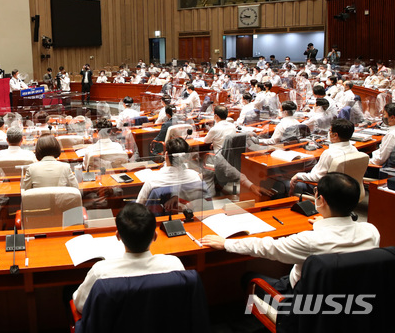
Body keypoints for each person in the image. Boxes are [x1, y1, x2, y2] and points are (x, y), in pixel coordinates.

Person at [201, 172, 380, 294]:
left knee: (249, 278)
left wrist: (226, 243)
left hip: (300, 298)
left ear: (321, 200)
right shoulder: (372, 231)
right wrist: (325, 222)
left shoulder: (310, 241)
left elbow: (267, 247)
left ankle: (268, 316)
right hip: (348, 294)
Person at [71, 202, 184, 312]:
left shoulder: (101, 273)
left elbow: (80, 306)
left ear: (118, 236)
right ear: (155, 236)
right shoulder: (175, 266)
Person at [290, 119, 357, 194]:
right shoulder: (354, 149)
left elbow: (317, 177)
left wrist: (297, 175)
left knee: (282, 183)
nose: (329, 133)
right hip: (349, 190)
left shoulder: (329, 153)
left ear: (335, 135)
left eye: (330, 131)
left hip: (328, 191)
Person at [137, 137, 203, 204]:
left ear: (166, 155)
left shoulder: (152, 180)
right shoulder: (195, 176)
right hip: (190, 212)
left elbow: (139, 203)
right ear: (186, 157)